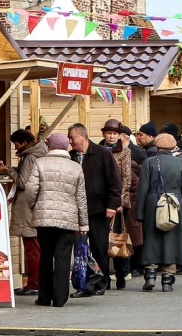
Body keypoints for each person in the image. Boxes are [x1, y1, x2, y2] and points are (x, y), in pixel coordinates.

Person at [24, 133, 88, 307]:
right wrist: (84, 224)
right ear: (66, 146)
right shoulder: (76, 167)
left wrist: (33, 206)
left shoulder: (40, 163)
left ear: (49, 146)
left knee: (46, 256)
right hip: (68, 219)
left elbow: (30, 189)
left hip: (44, 219)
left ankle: (44, 297)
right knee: (63, 257)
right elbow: (81, 198)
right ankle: (60, 298)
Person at [67, 123, 120, 297]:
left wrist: (112, 205)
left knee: (99, 246)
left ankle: (102, 282)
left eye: (72, 138)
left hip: (98, 209)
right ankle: (85, 284)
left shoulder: (102, 154)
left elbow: (114, 181)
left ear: (83, 136)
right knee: (81, 249)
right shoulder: (71, 156)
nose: (70, 141)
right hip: (77, 211)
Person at [136, 134, 182, 293]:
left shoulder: (149, 163)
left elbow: (142, 190)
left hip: (153, 202)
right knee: (173, 240)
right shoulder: (181, 163)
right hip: (175, 203)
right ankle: (167, 279)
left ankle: (150, 275)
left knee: (152, 239)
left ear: (157, 146)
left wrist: (139, 213)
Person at [102, 119, 141, 288]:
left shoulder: (124, 152)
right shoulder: (98, 149)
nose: (111, 136)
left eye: (114, 134)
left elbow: (126, 179)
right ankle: (103, 277)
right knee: (102, 240)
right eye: (109, 133)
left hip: (118, 202)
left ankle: (120, 275)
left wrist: (119, 202)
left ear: (119, 135)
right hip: (101, 201)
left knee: (118, 238)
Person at [8, 129, 47, 297]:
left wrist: (10, 171)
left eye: (16, 144)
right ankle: (36, 282)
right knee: (37, 246)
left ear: (23, 142)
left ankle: (34, 283)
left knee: (32, 249)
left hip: (27, 208)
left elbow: (23, 182)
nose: (15, 147)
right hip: (37, 206)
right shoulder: (39, 153)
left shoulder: (30, 156)